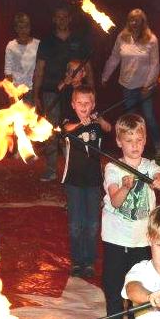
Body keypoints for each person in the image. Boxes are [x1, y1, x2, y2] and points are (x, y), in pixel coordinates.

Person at [101, 113, 160, 319]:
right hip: (116, 240)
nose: (134, 145)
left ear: (144, 141)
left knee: (138, 291)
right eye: (129, 140)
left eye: (139, 140)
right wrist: (125, 187)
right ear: (119, 142)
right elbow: (117, 202)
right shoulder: (112, 167)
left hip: (142, 242)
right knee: (113, 289)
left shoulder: (149, 166)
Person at [33, 4, 91, 182]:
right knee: (51, 132)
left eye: (65, 16)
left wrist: (91, 89)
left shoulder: (79, 39)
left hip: (75, 93)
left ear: (70, 19)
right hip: (52, 92)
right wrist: (36, 95)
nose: (62, 20)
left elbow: (87, 66)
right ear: (54, 19)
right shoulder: (47, 41)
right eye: (58, 17)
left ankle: (72, 169)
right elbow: (40, 69)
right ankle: (51, 169)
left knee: (73, 131)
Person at [61, 86, 111, 278]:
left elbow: (108, 128)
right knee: (75, 224)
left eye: (87, 103)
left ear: (93, 104)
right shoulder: (69, 121)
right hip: (73, 181)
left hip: (93, 181)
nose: (83, 106)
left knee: (92, 224)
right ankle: (77, 260)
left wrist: (97, 119)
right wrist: (81, 123)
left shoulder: (96, 122)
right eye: (79, 103)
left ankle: (89, 261)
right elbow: (66, 131)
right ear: (73, 105)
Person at [101, 9, 160, 158]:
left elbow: (155, 64)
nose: (134, 23)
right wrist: (105, 76)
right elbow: (114, 58)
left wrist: (147, 85)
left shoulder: (151, 39)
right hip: (127, 85)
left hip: (145, 87)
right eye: (131, 20)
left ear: (143, 22)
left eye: (138, 20)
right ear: (128, 21)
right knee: (131, 120)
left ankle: (158, 147)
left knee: (148, 117)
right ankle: (132, 151)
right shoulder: (122, 37)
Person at [3, 12, 40, 97]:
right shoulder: (11, 46)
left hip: (34, 90)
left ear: (30, 27)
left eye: (26, 27)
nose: (23, 30)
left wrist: (36, 92)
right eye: (20, 27)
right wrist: (12, 94)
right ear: (16, 28)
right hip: (17, 91)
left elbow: (40, 69)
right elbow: (8, 72)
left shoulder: (38, 44)